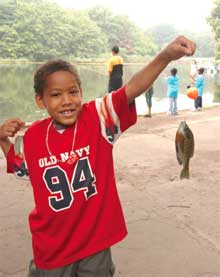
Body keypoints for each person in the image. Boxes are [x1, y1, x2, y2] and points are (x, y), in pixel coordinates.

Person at [0, 36, 196, 277]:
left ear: (81, 91)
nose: (67, 101)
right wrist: (3, 141)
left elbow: (131, 90)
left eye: (73, 92)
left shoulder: (98, 119)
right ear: (40, 100)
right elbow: (22, 168)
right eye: (56, 95)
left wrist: (165, 56)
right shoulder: (32, 137)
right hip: (51, 248)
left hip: (95, 245)